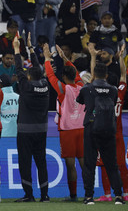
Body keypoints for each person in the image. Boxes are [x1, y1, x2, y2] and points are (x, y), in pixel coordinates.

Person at [76, 62, 124, 205]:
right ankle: (118, 197)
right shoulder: (113, 90)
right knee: (112, 164)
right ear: (107, 75)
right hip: (109, 129)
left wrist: (90, 84)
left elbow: (80, 101)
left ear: (94, 75)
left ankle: (89, 197)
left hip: (91, 128)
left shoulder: (87, 88)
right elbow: (113, 102)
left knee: (89, 164)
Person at [44, 44, 84, 201]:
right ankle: (89, 195)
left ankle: (73, 196)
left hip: (67, 129)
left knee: (70, 164)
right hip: (81, 128)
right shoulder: (81, 86)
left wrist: (47, 58)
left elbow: (50, 76)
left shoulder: (62, 88)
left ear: (64, 76)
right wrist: (65, 59)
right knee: (84, 162)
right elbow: (77, 73)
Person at [13, 35, 50, 202]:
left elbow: (19, 69)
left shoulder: (26, 86)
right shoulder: (45, 85)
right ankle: (45, 195)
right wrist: (30, 49)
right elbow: (37, 68)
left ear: (29, 77)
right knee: (41, 161)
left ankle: (29, 195)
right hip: (41, 129)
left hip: (25, 130)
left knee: (25, 162)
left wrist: (16, 50)